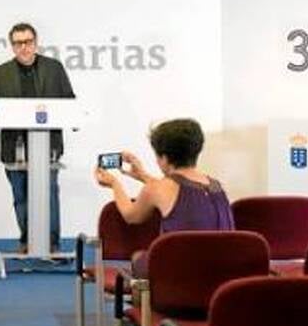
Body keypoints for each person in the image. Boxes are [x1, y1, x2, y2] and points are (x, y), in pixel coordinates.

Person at [94, 118, 234, 276]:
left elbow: (131, 216)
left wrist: (114, 184)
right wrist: (143, 176)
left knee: (138, 258)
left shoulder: (157, 188)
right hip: (221, 272)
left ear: (164, 158)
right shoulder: (216, 186)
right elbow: (175, 190)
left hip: (179, 272)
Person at [0, 22, 75, 254]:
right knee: (21, 196)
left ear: (36, 43)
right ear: (12, 46)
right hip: (15, 148)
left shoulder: (54, 68)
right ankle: (27, 241)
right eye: (18, 43)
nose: (23, 47)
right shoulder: (2, 72)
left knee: (49, 194)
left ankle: (52, 244)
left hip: (47, 147)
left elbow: (69, 100)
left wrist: (73, 118)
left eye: (28, 42)